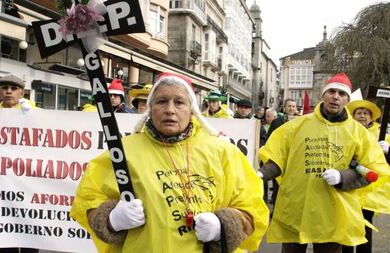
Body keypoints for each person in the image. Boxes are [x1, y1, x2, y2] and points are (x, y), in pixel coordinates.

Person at [70, 72, 269, 253]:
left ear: (192, 110)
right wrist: (112, 219)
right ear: (149, 109)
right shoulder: (121, 152)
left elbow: (251, 207)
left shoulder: (224, 152)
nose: (170, 110)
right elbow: (89, 200)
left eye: (179, 102)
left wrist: (223, 226)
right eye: (161, 101)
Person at [258, 73, 389, 253]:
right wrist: (261, 174)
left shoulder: (358, 133)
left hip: (333, 211)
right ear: (323, 95)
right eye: (332, 92)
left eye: (341, 94)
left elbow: (373, 171)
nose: (336, 97)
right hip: (296, 206)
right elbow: (278, 157)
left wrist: (343, 177)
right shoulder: (297, 126)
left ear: (347, 101)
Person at [0, 75, 38, 253]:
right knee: (4, 230)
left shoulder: (29, 110)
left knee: (28, 230)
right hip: (2, 184)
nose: (8, 91)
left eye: (13, 88)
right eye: (4, 88)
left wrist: (32, 112)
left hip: (26, 182)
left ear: (22, 92)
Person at [342, 99, 390, 253]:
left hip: (370, 189)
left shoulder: (382, 134)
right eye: (359, 113)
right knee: (347, 225)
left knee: (365, 226)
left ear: (371, 117)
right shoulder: (346, 131)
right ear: (353, 116)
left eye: (365, 113)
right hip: (349, 185)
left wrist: (388, 150)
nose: (362, 116)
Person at [264, 99, 298, 205]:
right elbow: (269, 138)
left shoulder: (300, 121)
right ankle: (275, 207)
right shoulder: (277, 121)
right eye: (289, 106)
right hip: (279, 157)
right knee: (277, 184)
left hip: (294, 158)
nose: (291, 108)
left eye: (293, 106)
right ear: (284, 107)